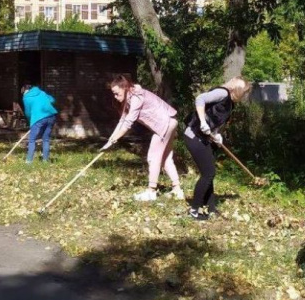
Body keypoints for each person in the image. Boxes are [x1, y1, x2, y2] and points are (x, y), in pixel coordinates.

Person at [102, 74, 184, 202]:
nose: (115, 96)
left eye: (116, 93)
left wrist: (115, 139)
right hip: (169, 122)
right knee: (166, 158)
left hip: (165, 124)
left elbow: (128, 123)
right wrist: (110, 140)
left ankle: (151, 191)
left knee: (153, 157)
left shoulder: (136, 97)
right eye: (113, 94)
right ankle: (177, 190)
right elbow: (122, 121)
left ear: (125, 88)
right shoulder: (129, 98)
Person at [183, 77, 252, 220]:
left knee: (209, 172)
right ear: (235, 90)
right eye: (243, 92)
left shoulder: (231, 104)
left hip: (205, 137)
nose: (243, 96)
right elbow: (200, 99)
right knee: (208, 173)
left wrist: (216, 135)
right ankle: (194, 210)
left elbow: (214, 120)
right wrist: (202, 122)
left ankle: (211, 208)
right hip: (193, 134)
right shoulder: (223, 93)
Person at [22, 83, 58, 163]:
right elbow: (52, 100)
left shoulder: (26, 98)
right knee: (46, 139)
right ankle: (45, 160)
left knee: (32, 140)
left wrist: (30, 122)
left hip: (37, 118)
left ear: (25, 90)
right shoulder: (41, 92)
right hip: (51, 116)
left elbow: (28, 112)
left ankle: (29, 161)